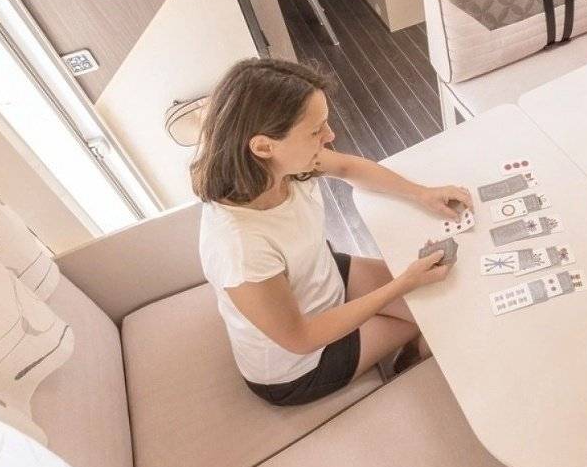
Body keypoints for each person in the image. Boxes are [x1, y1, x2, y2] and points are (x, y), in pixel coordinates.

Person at [191, 58, 473, 407]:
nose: (330, 136)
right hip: (301, 365)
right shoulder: (238, 246)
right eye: (316, 131)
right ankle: (409, 364)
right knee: (433, 320)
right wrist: (404, 282)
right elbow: (301, 338)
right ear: (263, 146)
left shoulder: (283, 165)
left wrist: (422, 193)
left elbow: (347, 167)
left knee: (442, 300)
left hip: (320, 277)